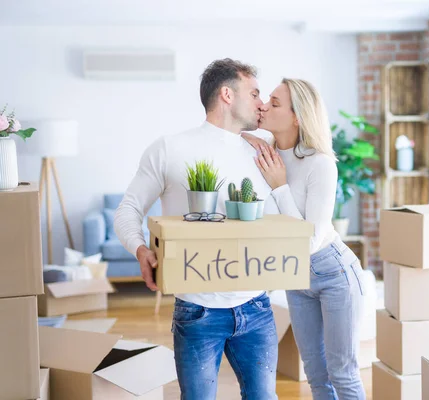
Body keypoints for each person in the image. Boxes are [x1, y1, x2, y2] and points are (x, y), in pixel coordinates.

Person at [114, 58, 279, 400]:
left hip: (257, 307)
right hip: (198, 310)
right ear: (227, 95)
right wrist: (141, 249)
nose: (261, 103)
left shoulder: (261, 151)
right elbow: (128, 209)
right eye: (254, 93)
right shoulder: (169, 148)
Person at [243, 78, 366, 400]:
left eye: (275, 102)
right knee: (315, 372)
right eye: (266, 99)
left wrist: (280, 186)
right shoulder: (265, 153)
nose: (264, 106)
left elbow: (309, 240)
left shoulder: (320, 163)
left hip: (334, 274)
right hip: (295, 277)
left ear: (298, 117)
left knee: (342, 370)